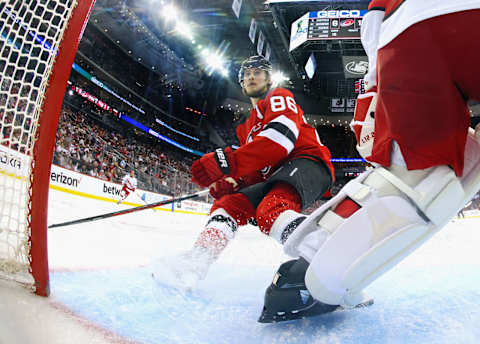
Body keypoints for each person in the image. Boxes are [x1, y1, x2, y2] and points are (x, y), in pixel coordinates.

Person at [268, 0, 480, 319]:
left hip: (404, 25)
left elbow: (373, 24)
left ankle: (303, 274)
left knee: (416, 172)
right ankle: (319, 275)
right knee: (423, 177)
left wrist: (374, 92)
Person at [158, 56, 335, 295]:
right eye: (247, 74)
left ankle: (329, 257)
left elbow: (280, 140)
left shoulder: (279, 96)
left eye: (258, 72)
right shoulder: (245, 127)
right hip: (277, 174)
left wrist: (227, 162)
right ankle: (197, 261)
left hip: (307, 161)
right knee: (227, 205)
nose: (251, 77)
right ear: (242, 84)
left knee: (271, 211)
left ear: (269, 79)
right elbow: (256, 171)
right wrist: (232, 183)